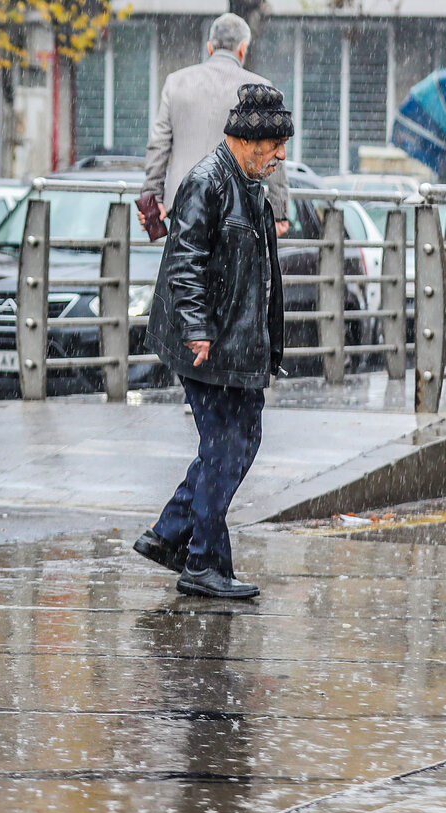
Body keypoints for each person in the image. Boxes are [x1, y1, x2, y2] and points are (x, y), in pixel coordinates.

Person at [133, 84, 293, 599]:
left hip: (238, 344)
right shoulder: (208, 181)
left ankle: (170, 535)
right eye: (275, 146)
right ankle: (202, 561)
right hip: (209, 345)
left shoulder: (248, 182)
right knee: (227, 448)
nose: (281, 156)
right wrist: (198, 327)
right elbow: (185, 263)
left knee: (231, 446)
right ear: (248, 140)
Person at [140, 13, 290, 240]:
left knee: (185, 270)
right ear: (243, 49)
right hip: (237, 207)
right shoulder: (259, 88)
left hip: (184, 204)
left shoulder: (176, 82)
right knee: (232, 273)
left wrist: (152, 201)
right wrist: (279, 212)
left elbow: (157, 146)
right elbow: (272, 153)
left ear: (210, 47)